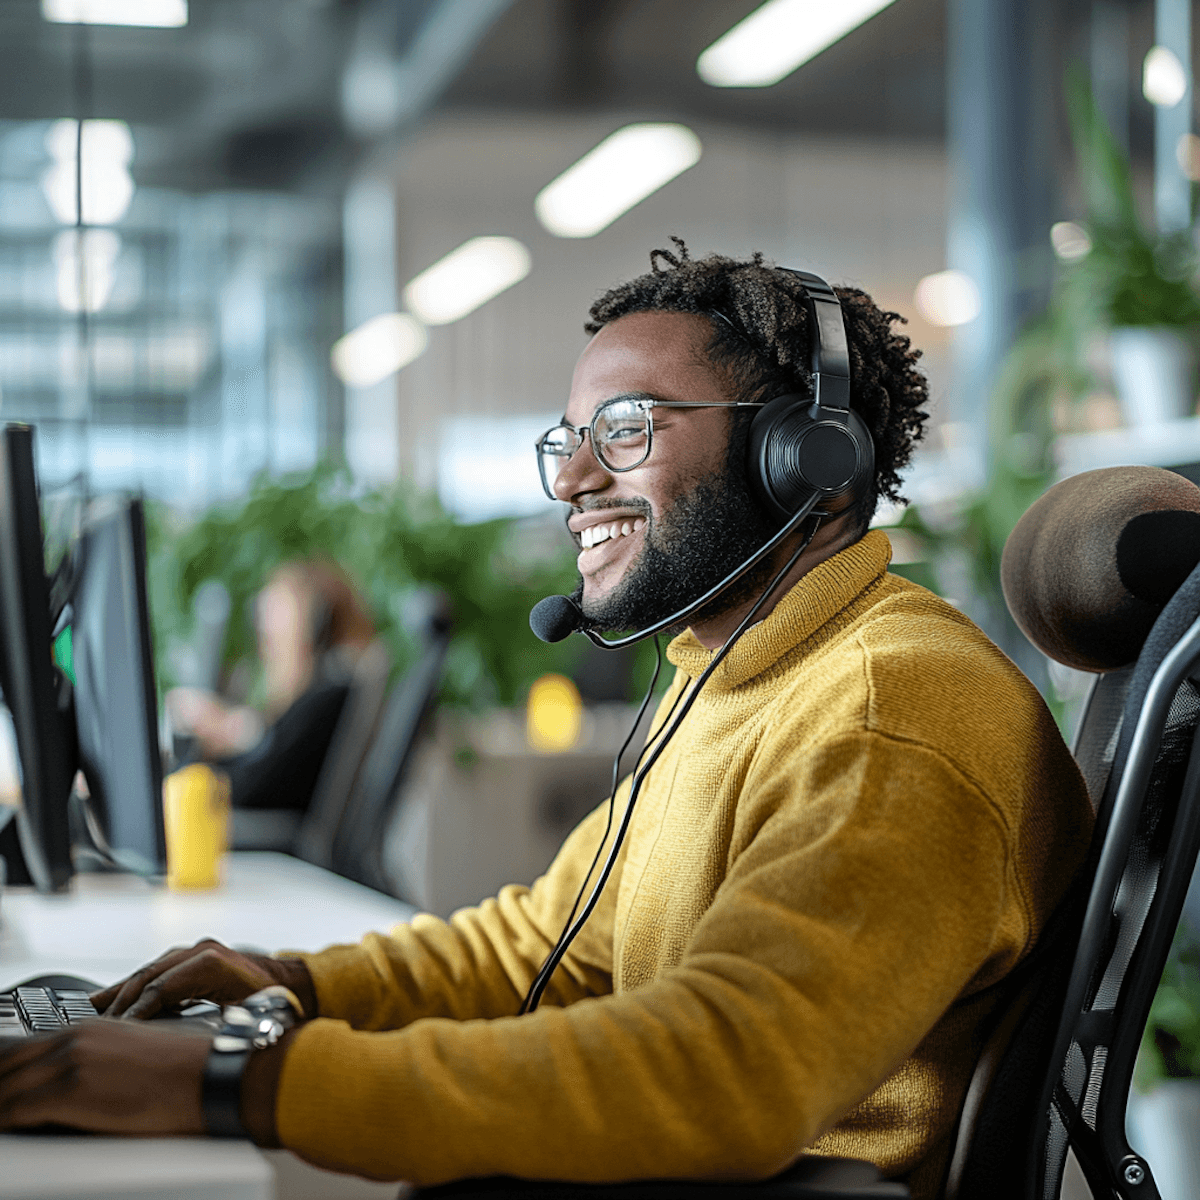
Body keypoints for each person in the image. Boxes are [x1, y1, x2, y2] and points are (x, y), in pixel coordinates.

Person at [0, 245, 1093, 1199]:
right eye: (567, 437)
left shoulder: (888, 714)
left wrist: (237, 1079)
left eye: (622, 431)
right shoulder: (734, 677)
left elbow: (724, 1073)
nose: (570, 478)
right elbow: (545, 947)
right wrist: (297, 983)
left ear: (803, 456)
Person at [166, 559, 378, 812]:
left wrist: (190, 769)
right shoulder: (321, 700)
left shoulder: (327, 699)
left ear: (316, 629)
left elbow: (250, 789)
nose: (267, 655)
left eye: (272, 641)